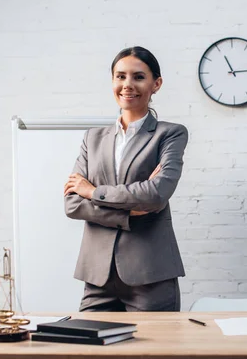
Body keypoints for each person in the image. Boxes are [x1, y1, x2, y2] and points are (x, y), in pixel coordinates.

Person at [63, 46, 188, 312]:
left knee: (153, 352)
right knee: (89, 352)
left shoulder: (169, 135)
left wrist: (93, 192)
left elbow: (156, 194)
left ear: (156, 84)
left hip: (150, 274)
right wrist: (130, 212)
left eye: (138, 77)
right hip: (97, 275)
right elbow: (72, 205)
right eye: (120, 76)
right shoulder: (92, 138)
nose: (127, 84)